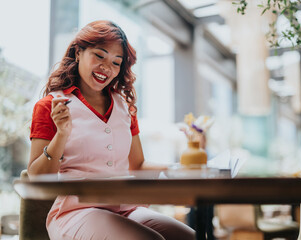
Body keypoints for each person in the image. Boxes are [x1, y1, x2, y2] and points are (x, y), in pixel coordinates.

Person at [28, 20, 195, 240]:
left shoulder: (125, 107)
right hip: (76, 211)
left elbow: (138, 165)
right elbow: (36, 176)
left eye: (116, 62)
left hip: (124, 207)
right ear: (78, 52)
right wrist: (61, 134)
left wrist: (179, 168)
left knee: (188, 236)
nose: (107, 67)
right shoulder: (51, 105)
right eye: (99, 56)